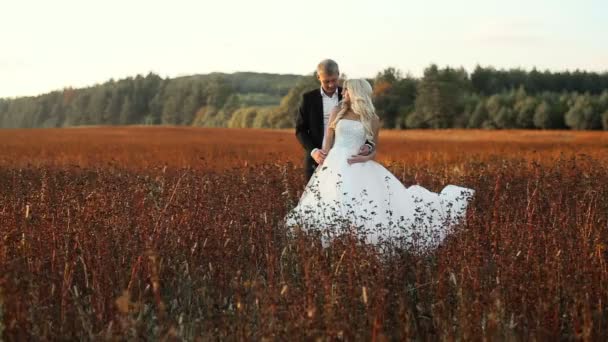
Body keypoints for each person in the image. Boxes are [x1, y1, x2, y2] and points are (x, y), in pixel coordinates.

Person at [285, 79, 475, 251]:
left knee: (364, 207)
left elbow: (373, 150)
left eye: (347, 91)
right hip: (334, 164)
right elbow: (327, 141)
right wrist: (321, 162)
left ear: (357, 94)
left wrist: (364, 158)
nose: (343, 93)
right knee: (329, 202)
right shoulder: (337, 111)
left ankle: (356, 244)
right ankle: (330, 244)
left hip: (359, 165)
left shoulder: (372, 119)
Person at [295, 59, 374, 182]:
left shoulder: (350, 95)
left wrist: (368, 145)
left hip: (349, 163)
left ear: (338, 74)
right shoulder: (308, 99)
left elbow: (365, 124)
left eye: (334, 80)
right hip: (317, 160)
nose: (331, 85)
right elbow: (301, 130)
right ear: (318, 77)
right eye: (326, 81)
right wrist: (314, 151)